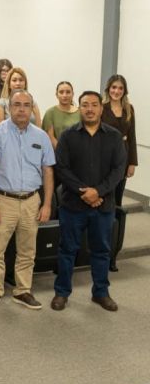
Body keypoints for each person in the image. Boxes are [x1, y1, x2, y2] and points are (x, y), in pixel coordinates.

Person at [52, 91, 126, 312]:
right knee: (67, 250)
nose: (90, 109)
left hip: (103, 205)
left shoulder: (114, 136)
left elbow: (118, 169)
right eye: (85, 105)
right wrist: (84, 192)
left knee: (101, 251)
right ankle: (62, 292)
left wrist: (98, 192)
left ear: (101, 108)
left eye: (94, 105)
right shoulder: (68, 136)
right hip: (73, 205)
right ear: (80, 108)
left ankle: (100, 293)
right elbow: (62, 168)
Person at [0, 90, 55, 311]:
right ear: (9, 107)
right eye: (17, 104)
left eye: (26, 105)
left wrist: (47, 204)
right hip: (4, 200)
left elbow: (48, 171)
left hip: (32, 200)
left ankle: (22, 290)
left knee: (27, 251)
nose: (21, 109)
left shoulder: (41, 137)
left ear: (32, 108)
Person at [101, 74, 137, 272]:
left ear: (124, 91)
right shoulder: (101, 107)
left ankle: (112, 254)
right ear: (108, 89)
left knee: (116, 205)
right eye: (114, 87)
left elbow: (132, 136)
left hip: (122, 160)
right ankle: (99, 250)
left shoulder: (129, 109)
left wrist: (132, 162)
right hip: (105, 160)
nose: (116, 91)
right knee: (103, 205)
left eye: (120, 88)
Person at [42, 81, 81, 149]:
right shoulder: (50, 113)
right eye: (61, 92)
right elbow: (50, 137)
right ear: (56, 95)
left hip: (78, 150)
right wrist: (62, 151)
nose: (64, 95)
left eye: (68, 92)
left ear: (73, 94)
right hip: (57, 152)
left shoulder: (80, 113)